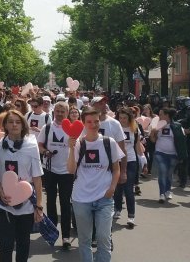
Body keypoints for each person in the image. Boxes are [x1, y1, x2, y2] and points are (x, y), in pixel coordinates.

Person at [68, 106, 124, 262]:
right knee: (84, 240)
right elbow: (71, 170)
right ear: (83, 123)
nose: (93, 124)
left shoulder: (109, 142)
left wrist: (112, 188)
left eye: (96, 121)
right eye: (89, 122)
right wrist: (71, 149)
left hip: (104, 198)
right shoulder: (78, 143)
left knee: (104, 239)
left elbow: (116, 169)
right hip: (81, 199)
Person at [0, 110, 44, 262]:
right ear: (5, 125)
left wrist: (39, 205)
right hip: (4, 204)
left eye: (18, 122)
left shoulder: (31, 146)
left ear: (23, 125)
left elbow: (37, 177)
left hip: (26, 205)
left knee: (23, 243)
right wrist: (0, 192)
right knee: (5, 245)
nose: (14, 125)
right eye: (10, 122)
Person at [37, 101, 75, 249]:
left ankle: (66, 236)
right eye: (57, 111)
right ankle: (52, 232)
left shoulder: (73, 129)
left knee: (66, 203)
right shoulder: (47, 128)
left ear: (67, 113)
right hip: (49, 170)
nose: (59, 114)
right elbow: (39, 146)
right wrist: (45, 152)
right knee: (51, 202)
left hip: (67, 171)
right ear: (54, 112)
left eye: (62, 111)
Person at [149, 108, 187, 203]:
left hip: (173, 154)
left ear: (167, 115)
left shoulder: (177, 126)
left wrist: (181, 155)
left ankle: (168, 191)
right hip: (160, 152)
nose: (159, 116)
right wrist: (153, 132)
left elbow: (182, 141)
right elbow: (153, 140)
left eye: (161, 114)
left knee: (169, 174)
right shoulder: (157, 125)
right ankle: (162, 193)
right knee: (162, 171)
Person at [113, 107, 141, 228]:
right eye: (120, 118)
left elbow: (137, 146)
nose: (123, 120)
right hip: (117, 161)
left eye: (125, 118)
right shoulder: (114, 128)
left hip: (131, 160)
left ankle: (131, 216)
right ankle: (118, 208)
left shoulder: (134, 129)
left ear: (129, 118)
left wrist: (143, 158)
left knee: (129, 189)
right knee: (118, 188)